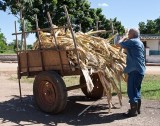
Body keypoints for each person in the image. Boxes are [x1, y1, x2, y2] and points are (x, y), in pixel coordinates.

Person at [116, 28, 146, 117]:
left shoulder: (132, 41)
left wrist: (123, 37)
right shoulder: (140, 42)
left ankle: (132, 111)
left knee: (131, 91)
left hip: (134, 70)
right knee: (137, 90)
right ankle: (137, 109)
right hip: (140, 70)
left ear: (132, 34)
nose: (128, 35)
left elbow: (117, 44)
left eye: (128, 34)